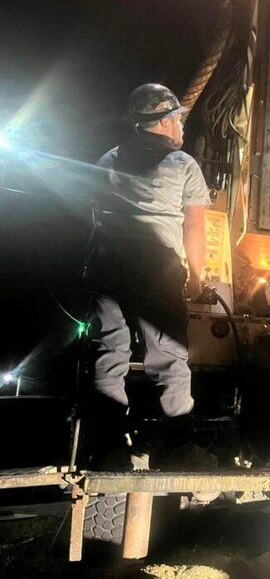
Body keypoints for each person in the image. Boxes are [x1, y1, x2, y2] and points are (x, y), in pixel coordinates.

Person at [84, 83, 212, 469]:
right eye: (178, 119)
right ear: (166, 121)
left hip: (106, 264)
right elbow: (194, 226)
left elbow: (92, 212)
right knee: (168, 357)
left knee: (109, 353)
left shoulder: (108, 159)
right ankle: (179, 450)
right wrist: (196, 274)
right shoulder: (183, 165)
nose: (182, 128)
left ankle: (107, 452)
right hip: (157, 265)